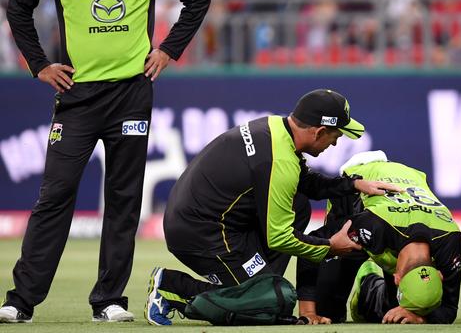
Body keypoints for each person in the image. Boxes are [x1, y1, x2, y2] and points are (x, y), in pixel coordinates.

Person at [0, 0, 210, 323]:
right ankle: (20, 301)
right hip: (76, 97)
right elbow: (17, 5)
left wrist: (168, 49)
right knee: (54, 196)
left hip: (131, 96)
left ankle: (109, 300)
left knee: (123, 198)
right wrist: (39, 64)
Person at [144, 89, 402, 326]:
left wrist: (355, 185)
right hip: (201, 233)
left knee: (298, 204)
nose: (334, 144)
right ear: (319, 131)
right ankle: (173, 287)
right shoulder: (280, 162)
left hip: (207, 221)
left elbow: (308, 184)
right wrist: (330, 246)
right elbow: (279, 238)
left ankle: (262, 284)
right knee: (274, 300)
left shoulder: (276, 129)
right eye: (335, 137)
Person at [296, 151, 461, 326]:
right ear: (396, 278)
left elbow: (449, 309)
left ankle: (370, 294)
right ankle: (367, 278)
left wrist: (420, 317)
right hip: (358, 189)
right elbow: (312, 242)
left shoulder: (451, 241)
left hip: (405, 183)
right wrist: (308, 312)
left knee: (395, 317)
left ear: (440, 274)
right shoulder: (371, 225)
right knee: (327, 312)